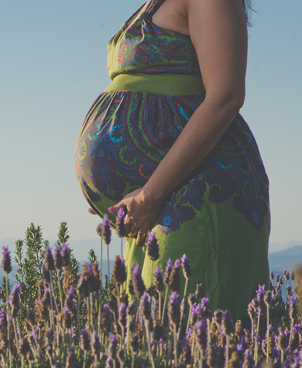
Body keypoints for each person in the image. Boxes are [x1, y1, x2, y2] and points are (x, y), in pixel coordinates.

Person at [75, 0, 269, 321]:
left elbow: (225, 95)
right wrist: (107, 186)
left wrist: (150, 193)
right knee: (156, 347)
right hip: (156, 206)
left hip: (198, 199)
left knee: (195, 346)